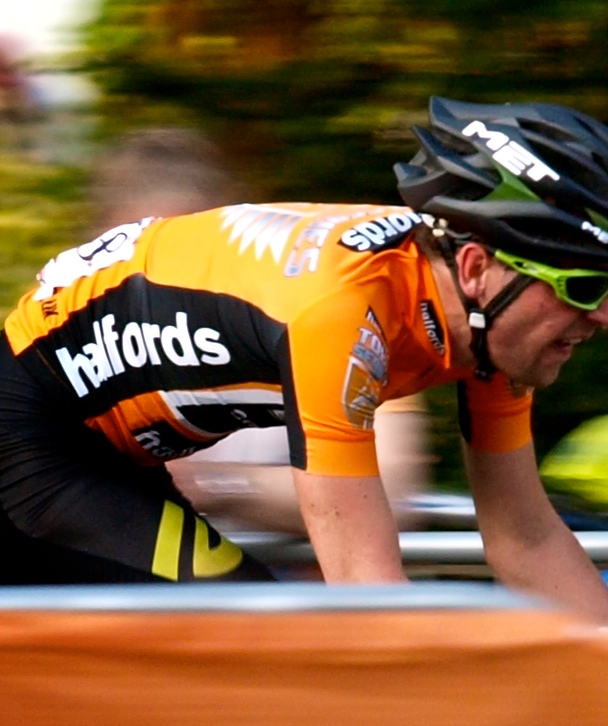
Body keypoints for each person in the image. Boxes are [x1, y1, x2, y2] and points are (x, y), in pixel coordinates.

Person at [0, 97, 608, 626]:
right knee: (259, 636)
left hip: (105, 450)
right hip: (33, 433)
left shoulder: (485, 336)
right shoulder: (343, 311)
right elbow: (370, 603)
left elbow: (526, 540)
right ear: (478, 267)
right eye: (582, 287)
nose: (607, 316)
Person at [86, 126, 434, 536]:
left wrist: (217, 485)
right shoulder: (66, 352)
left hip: (293, 593)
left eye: (180, 258)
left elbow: (393, 491)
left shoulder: (334, 322)